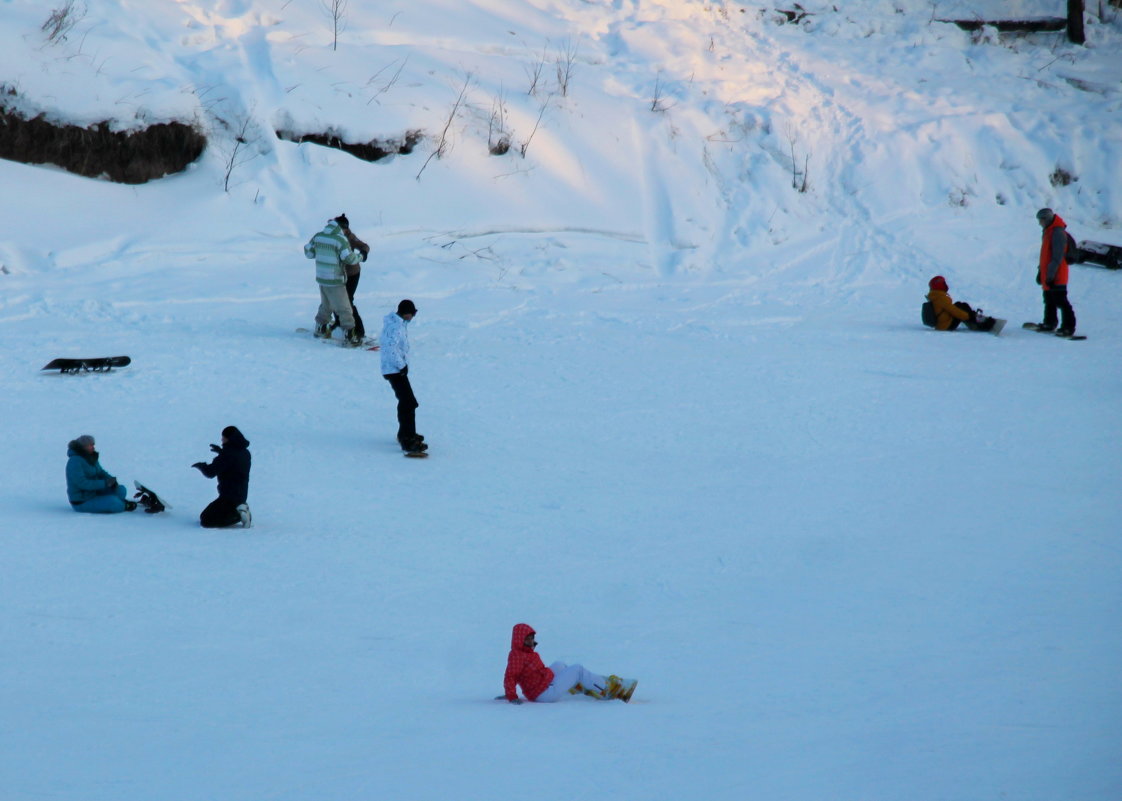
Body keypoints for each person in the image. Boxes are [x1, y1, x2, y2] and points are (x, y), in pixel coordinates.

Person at [497, 623, 637, 704]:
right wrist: (511, 696)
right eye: (527, 639)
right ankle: (609, 690)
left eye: (532, 638)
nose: (531, 642)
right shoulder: (517, 655)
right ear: (518, 640)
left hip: (542, 684)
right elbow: (511, 676)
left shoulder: (524, 653)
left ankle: (577, 686)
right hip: (543, 694)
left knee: (559, 665)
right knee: (577, 670)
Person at [305, 215, 363, 346]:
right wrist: (361, 256)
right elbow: (349, 259)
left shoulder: (318, 236)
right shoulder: (340, 239)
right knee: (345, 308)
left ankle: (320, 328)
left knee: (327, 304)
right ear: (343, 228)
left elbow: (308, 252)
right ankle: (350, 335)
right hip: (335, 279)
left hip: (321, 277)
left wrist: (321, 253)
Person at [381, 299, 427, 453]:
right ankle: (407, 439)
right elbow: (390, 348)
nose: (412, 317)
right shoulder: (396, 327)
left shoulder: (398, 324)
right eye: (412, 314)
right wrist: (402, 365)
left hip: (395, 369)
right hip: (394, 370)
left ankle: (405, 433)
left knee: (407, 401)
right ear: (407, 314)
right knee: (408, 402)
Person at [192, 426, 252, 528]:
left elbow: (210, 472)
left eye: (223, 438)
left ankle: (239, 514)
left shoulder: (227, 455)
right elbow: (233, 462)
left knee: (206, 521)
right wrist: (221, 452)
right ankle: (240, 507)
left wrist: (201, 466)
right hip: (241, 494)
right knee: (205, 516)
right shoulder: (245, 452)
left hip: (229, 498)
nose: (221, 439)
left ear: (230, 439)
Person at [1029, 208, 1077, 336]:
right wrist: (1041, 272)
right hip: (1049, 273)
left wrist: (1050, 276)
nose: (1039, 223)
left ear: (1046, 219)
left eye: (1041, 220)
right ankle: (1049, 323)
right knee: (1049, 299)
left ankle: (1068, 327)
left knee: (1061, 300)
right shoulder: (1048, 231)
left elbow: (1057, 256)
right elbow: (1045, 256)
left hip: (1057, 274)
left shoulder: (1057, 232)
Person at [66, 435, 137, 513]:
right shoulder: (75, 462)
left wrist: (111, 480)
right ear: (83, 447)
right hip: (82, 501)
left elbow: (100, 472)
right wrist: (105, 483)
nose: (93, 447)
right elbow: (83, 483)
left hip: (95, 493)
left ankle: (116, 502)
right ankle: (123, 505)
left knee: (120, 490)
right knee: (113, 502)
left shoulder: (90, 457)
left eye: (93, 444)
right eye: (90, 445)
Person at [328, 214, 371, 340]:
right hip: (338, 274)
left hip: (352, 274)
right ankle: (339, 322)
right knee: (336, 300)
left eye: (342, 228)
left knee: (348, 301)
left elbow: (365, 246)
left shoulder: (349, 237)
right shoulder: (333, 235)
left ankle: (359, 330)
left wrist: (363, 253)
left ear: (345, 229)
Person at [923, 275, 996, 332]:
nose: (945, 284)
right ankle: (981, 324)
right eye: (944, 283)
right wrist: (968, 316)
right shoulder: (940, 298)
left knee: (960, 305)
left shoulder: (935, 295)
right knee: (962, 307)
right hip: (946, 326)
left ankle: (974, 318)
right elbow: (954, 311)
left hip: (942, 324)